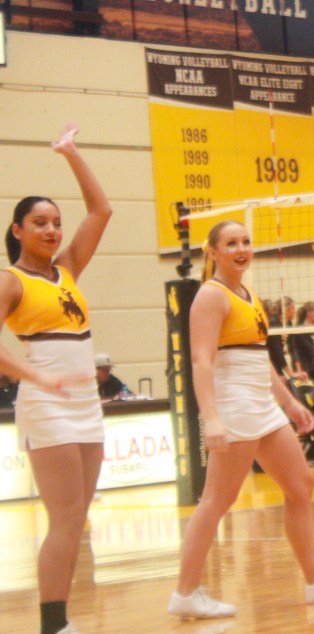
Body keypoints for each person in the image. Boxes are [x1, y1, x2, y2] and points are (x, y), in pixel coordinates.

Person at [169, 220, 314, 620]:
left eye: (245, 241)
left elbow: (261, 361)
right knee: (216, 500)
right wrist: (211, 418)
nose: (241, 249)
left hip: (262, 404)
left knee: (301, 485)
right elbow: (201, 361)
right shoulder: (211, 295)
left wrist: (290, 403)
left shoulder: (249, 295)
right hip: (234, 404)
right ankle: (185, 593)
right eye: (231, 243)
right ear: (213, 252)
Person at [0, 125, 112, 634]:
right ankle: (52, 625)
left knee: (76, 520)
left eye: (56, 223)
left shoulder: (67, 269)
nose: (51, 230)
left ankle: (60, 622)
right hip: (46, 404)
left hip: (85, 400)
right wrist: (35, 378)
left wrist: (71, 153)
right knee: (64, 518)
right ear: (17, 230)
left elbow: (100, 211)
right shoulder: (11, 280)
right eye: (39, 223)